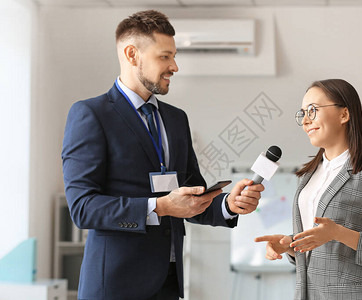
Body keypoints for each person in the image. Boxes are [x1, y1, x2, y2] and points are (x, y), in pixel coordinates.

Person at [61, 10, 264, 300]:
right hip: (114, 287)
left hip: (168, 284)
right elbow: (83, 208)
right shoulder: (91, 114)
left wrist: (229, 204)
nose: (175, 66)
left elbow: (192, 198)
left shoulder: (175, 119)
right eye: (164, 57)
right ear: (132, 54)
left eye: (174, 56)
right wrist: (160, 207)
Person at [255, 79, 362, 300]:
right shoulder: (308, 176)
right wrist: (289, 245)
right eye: (302, 114)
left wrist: (338, 233)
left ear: (344, 114)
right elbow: (321, 246)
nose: (306, 121)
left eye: (313, 111)